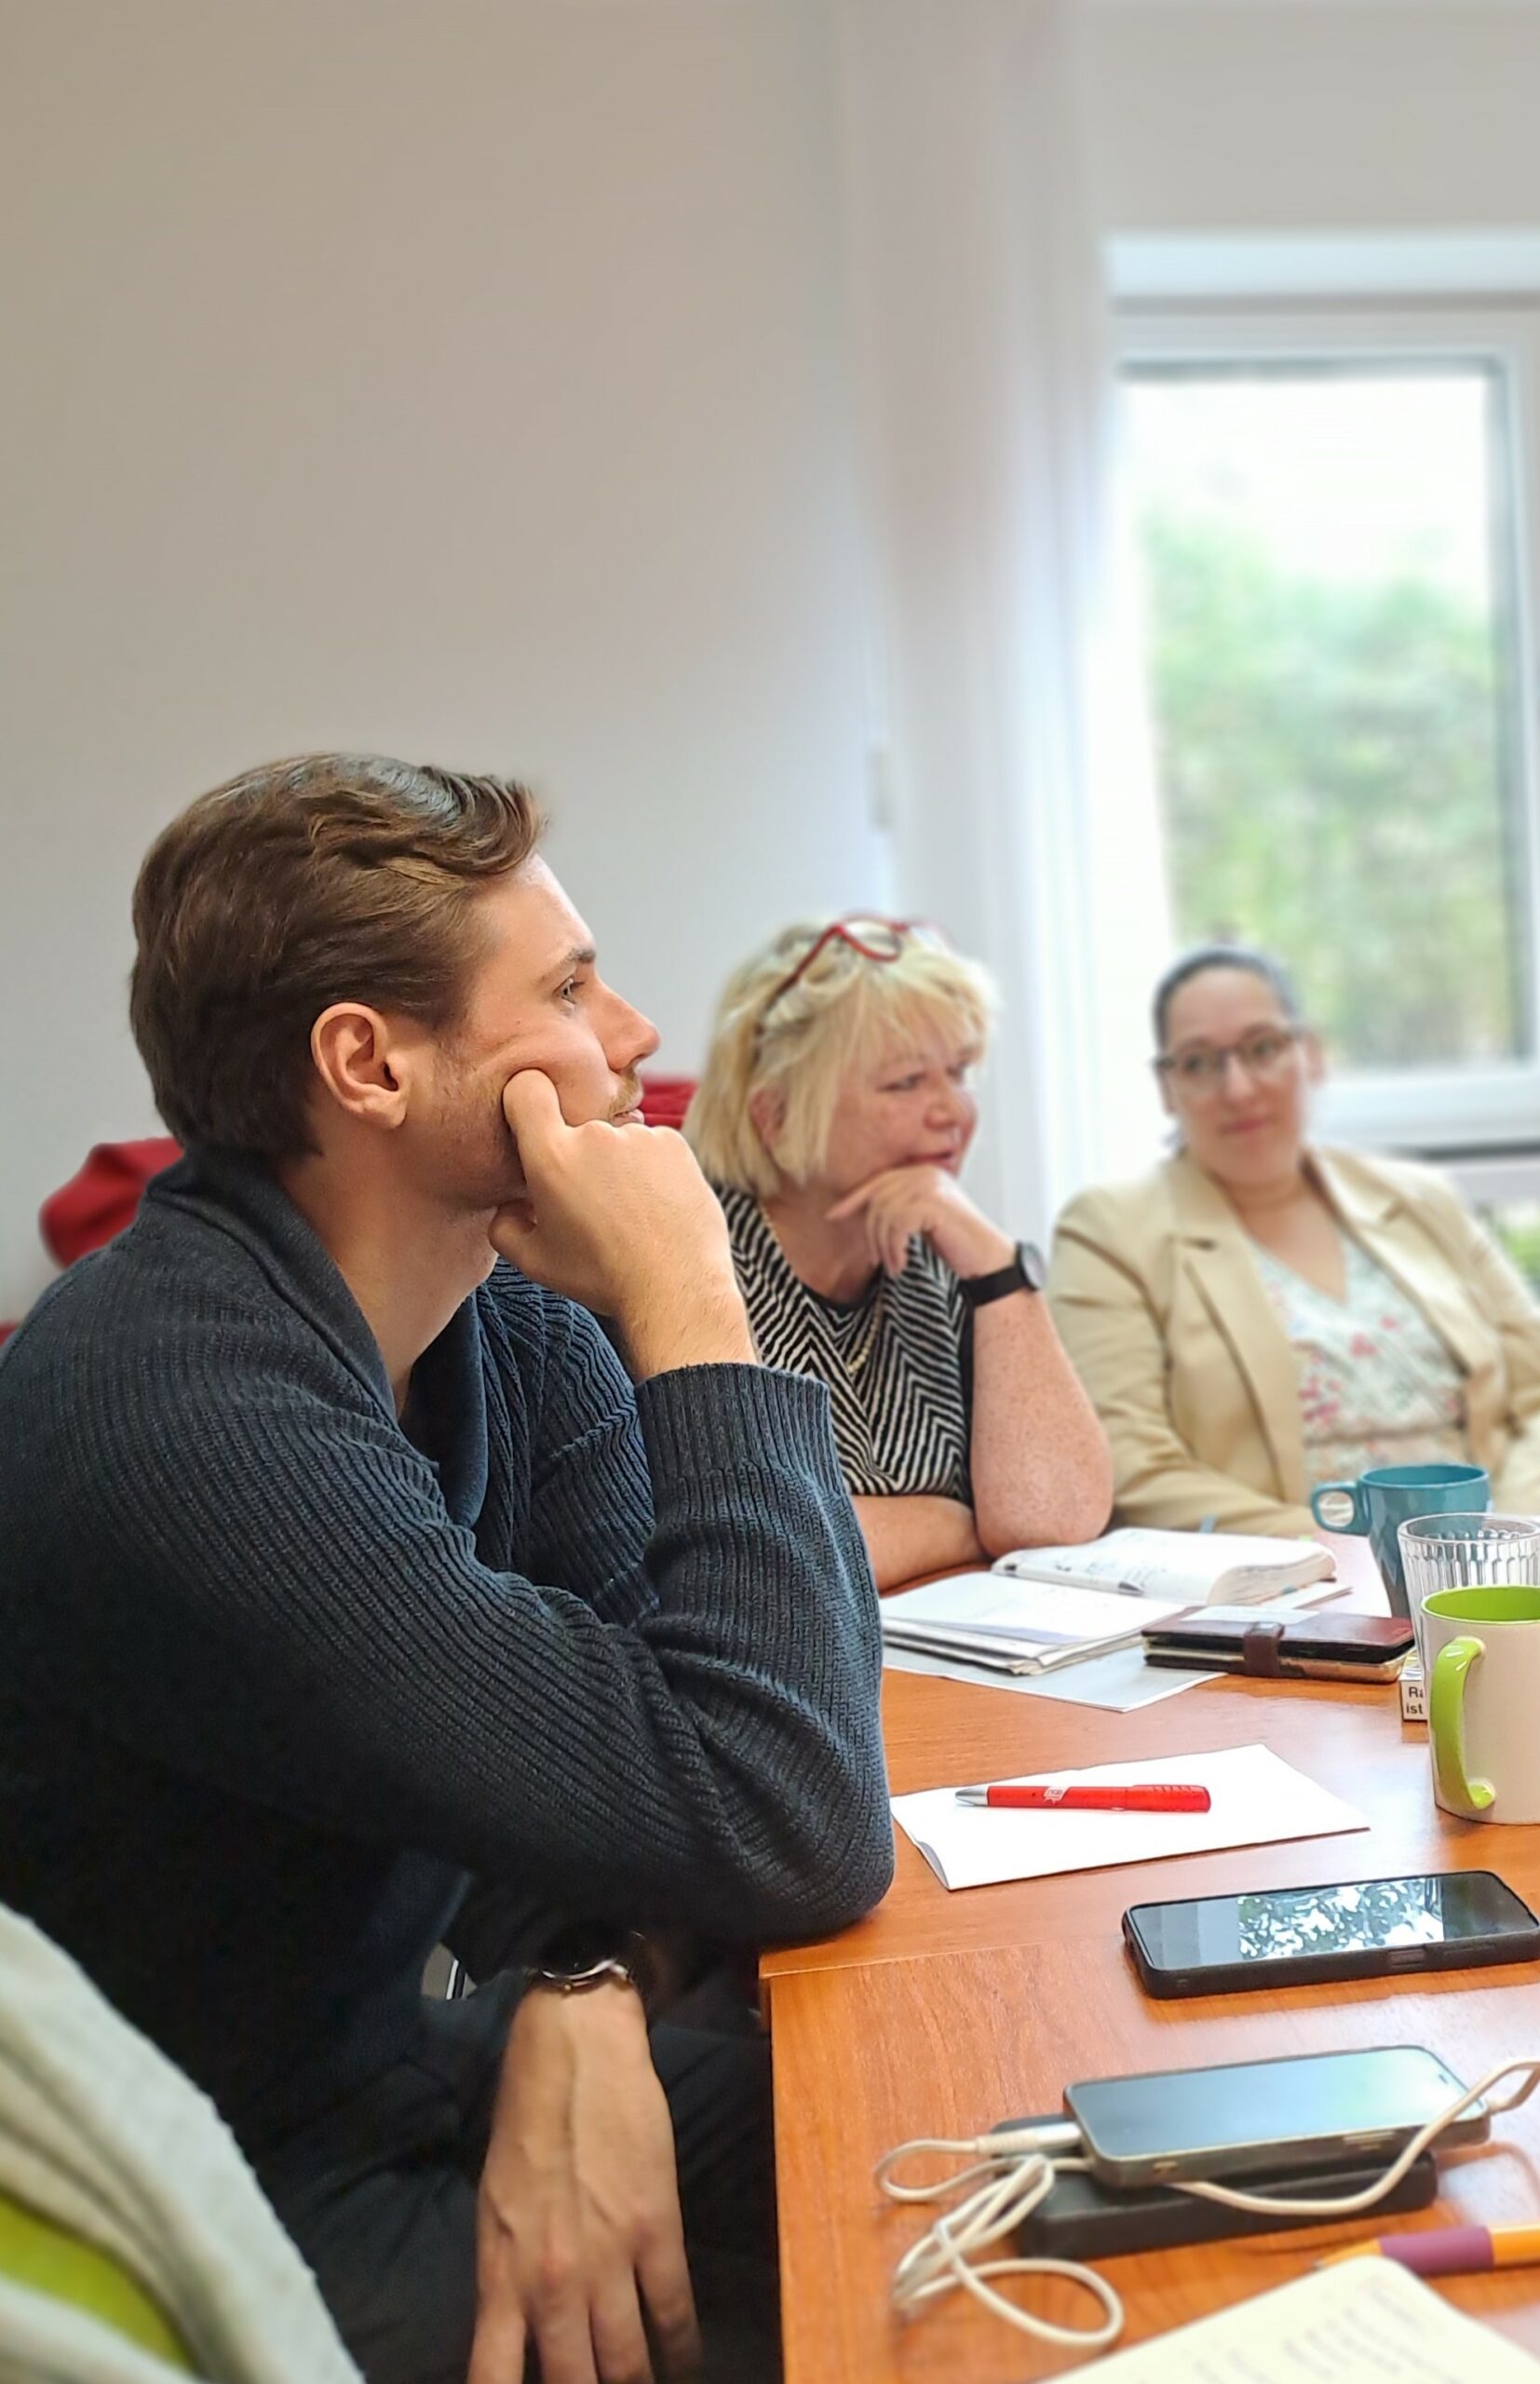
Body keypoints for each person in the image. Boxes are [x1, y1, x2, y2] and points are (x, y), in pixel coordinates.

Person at [0, 755, 896, 2384]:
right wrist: (694, 1299)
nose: (631, 1035)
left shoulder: (504, 1313)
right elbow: (783, 1809)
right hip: (219, 2180)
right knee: (893, 2306)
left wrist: (585, 1984)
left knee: (950, 2139)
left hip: (424, 2059)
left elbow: (752, 1704)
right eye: (566, 988)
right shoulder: (176, 1411)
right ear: (369, 1062)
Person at [1049, 943, 1540, 1536]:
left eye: (1262, 1049)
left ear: (1310, 1055)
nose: (1238, 1089)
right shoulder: (1109, 1232)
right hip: (1299, 1593)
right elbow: (1134, 1470)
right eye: (1199, 1063)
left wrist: (1506, 1535)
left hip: (1499, 1570)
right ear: (1166, 1089)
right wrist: (1356, 1555)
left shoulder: (1423, 1201)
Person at [685, 915, 1112, 1590]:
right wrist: (958, 1523)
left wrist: (999, 1271)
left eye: (959, 1072)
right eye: (906, 1082)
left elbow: (1050, 1520)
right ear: (777, 1116)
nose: (953, 1112)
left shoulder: (945, 1247)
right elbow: (762, 1558)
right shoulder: (689, 1260)